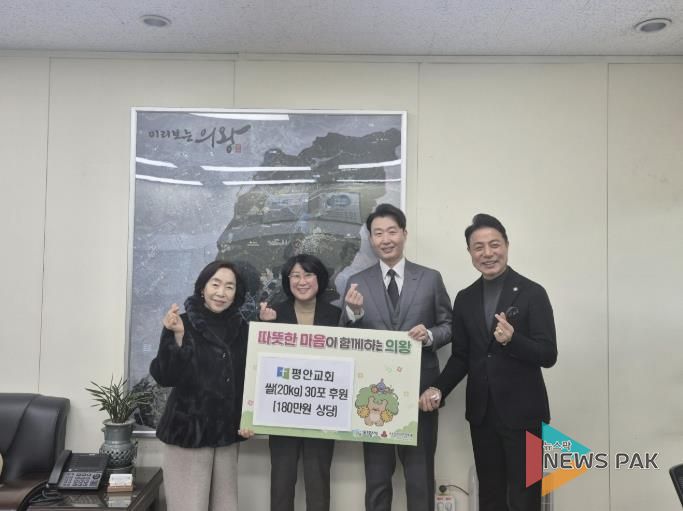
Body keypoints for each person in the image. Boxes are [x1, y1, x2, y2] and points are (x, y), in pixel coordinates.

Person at [419, 214, 558, 511]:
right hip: (482, 415)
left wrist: (513, 340)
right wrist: (438, 388)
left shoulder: (533, 293)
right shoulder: (465, 298)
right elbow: (461, 357)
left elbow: (548, 354)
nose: (487, 253)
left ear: (506, 245)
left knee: (525, 499)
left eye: (494, 244)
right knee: (491, 497)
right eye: (478, 247)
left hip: (525, 415)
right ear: (470, 252)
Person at [340, 203, 452, 511]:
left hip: (420, 394)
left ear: (404, 233)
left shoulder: (429, 278)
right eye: (378, 233)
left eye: (392, 231)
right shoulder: (357, 282)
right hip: (372, 399)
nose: (386, 239)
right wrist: (354, 313)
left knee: (420, 479)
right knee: (377, 480)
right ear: (371, 239)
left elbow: (449, 326)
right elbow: (345, 338)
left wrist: (429, 335)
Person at [150, 260, 253, 511]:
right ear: (202, 287)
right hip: (188, 433)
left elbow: (251, 378)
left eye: (229, 287)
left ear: (236, 293)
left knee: (225, 506)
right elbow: (165, 376)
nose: (221, 292)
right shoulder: (181, 322)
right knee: (189, 506)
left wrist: (251, 418)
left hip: (226, 434)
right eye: (215, 284)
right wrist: (176, 336)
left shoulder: (243, 329)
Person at [259, 254, 341, 511]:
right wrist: (264, 327)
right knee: (281, 485)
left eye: (308, 275)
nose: (301, 281)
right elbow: (258, 364)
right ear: (287, 281)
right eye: (295, 276)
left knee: (319, 485)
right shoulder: (273, 313)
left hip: (321, 414)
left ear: (320, 279)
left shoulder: (336, 315)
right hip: (282, 414)